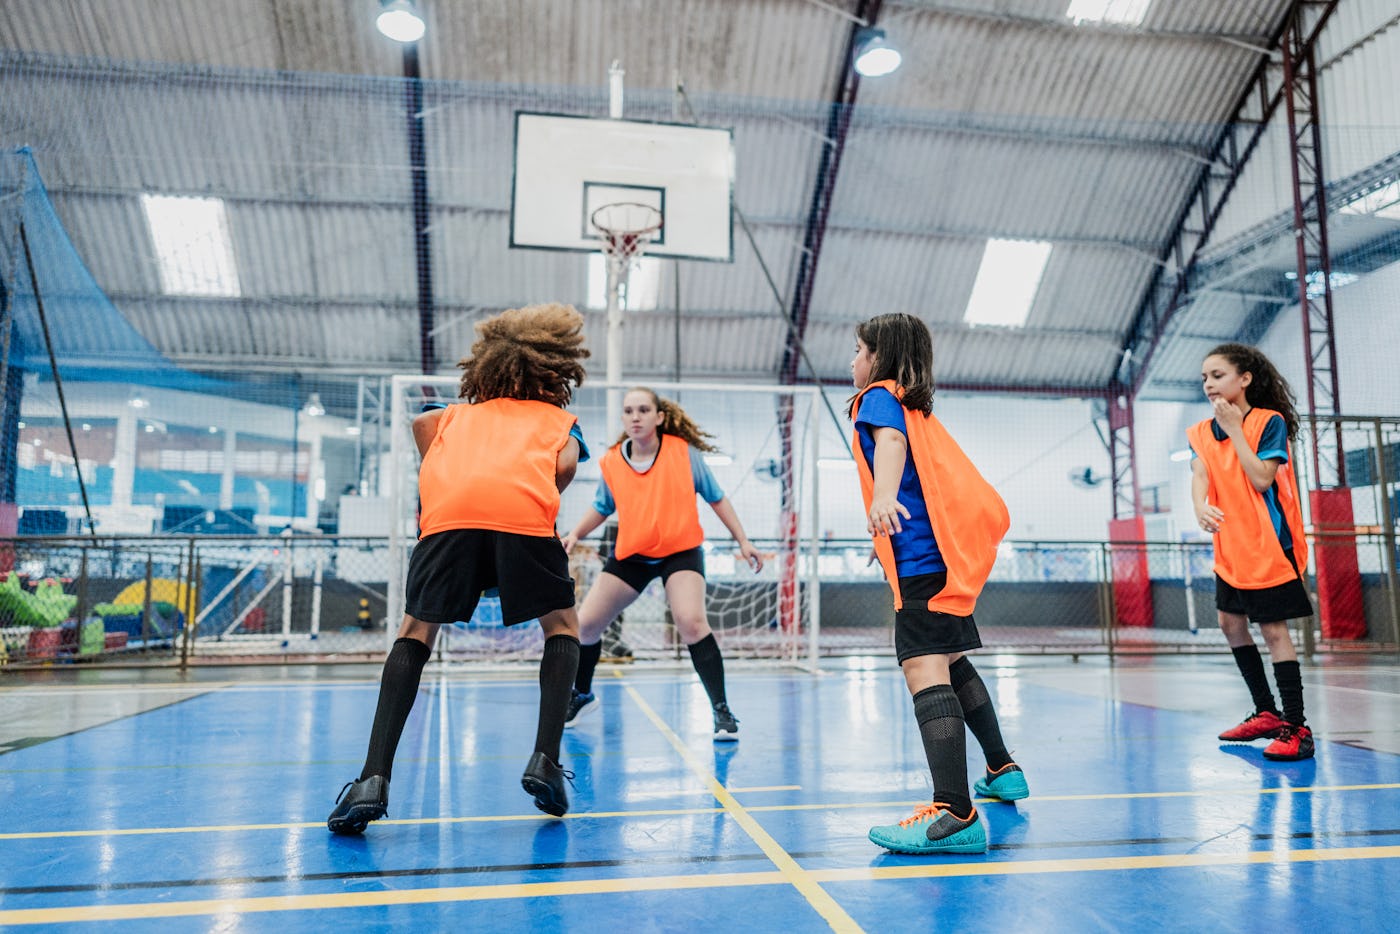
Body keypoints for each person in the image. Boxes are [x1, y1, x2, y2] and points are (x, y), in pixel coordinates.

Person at [327, 303, 591, 834]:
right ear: (553, 374)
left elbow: (419, 424)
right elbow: (565, 464)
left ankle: (372, 778)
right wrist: (533, 495)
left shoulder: (450, 415)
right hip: (523, 519)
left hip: (449, 522)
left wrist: (452, 477)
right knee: (562, 626)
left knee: (415, 632)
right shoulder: (559, 420)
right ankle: (545, 758)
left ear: (485, 371)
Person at [850, 313, 1024, 856]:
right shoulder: (915, 402)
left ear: (879, 356)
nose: (852, 361)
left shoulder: (880, 397)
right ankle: (1002, 770)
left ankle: (954, 810)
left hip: (923, 557)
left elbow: (889, 445)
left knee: (923, 666)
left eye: (858, 350)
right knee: (950, 660)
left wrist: (883, 494)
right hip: (940, 556)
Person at [559, 387, 764, 740]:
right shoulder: (611, 461)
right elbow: (602, 506)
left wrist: (743, 541)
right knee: (585, 625)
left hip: (680, 552)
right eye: (628, 411)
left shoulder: (684, 454)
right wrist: (575, 533)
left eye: (643, 410)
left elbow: (717, 499)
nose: (635, 417)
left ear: (659, 417)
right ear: (624, 419)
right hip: (633, 556)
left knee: (691, 621)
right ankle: (582, 694)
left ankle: (722, 711)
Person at [1189, 342, 1314, 761]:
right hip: (1230, 546)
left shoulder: (1267, 422)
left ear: (1244, 379)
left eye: (1217, 375)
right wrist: (1199, 505)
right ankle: (1266, 712)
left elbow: (1262, 478)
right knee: (1230, 624)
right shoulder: (1202, 432)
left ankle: (1297, 728)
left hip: (1268, 547)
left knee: (1274, 630)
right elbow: (1200, 472)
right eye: (1204, 377)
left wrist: (1238, 430)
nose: (1208, 383)